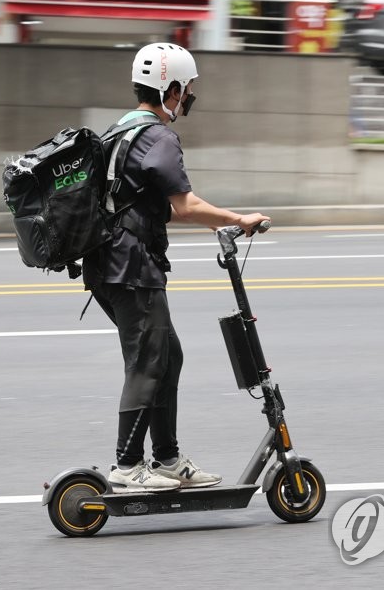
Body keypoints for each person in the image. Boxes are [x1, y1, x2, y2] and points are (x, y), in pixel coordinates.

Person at [82, 43, 270, 492]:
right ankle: (128, 465)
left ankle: (165, 458)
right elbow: (185, 205)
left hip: (108, 263)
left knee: (168, 354)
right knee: (149, 360)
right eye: (187, 89)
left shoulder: (121, 129)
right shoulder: (158, 135)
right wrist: (238, 219)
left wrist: (212, 222)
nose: (189, 98)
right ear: (171, 89)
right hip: (130, 266)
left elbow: (144, 205)